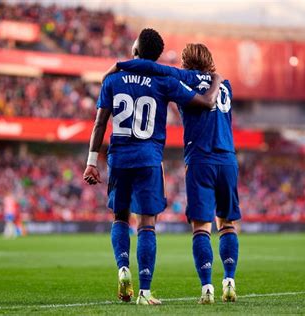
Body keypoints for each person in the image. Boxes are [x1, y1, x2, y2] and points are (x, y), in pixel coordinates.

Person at [83, 29, 223, 305]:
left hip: (119, 159)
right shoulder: (163, 80)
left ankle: (123, 269)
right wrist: (216, 80)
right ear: (157, 54)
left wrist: (91, 162)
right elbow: (206, 102)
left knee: (120, 218)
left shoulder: (113, 78)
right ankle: (145, 292)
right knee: (146, 224)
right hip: (148, 160)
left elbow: (100, 123)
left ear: (135, 49)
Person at [112, 43, 241, 304]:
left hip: (200, 159)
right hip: (228, 159)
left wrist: (120, 66)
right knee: (227, 224)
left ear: (186, 62)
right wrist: (215, 79)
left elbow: (151, 67)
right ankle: (229, 280)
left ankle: (207, 288)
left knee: (201, 228)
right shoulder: (225, 85)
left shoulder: (183, 77)